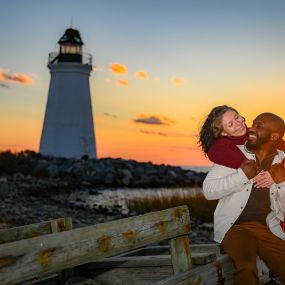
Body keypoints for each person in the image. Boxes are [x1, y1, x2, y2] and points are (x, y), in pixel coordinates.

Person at [202, 112, 285, 284]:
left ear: (274, 136)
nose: (250, 129)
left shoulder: (282, 159)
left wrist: (278, 181)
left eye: (258, 126)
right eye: (253, 124)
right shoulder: (231, 153)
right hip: (236, 227)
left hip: (269, 225)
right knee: (246, 267)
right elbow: (208, 191)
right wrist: (242, 175)